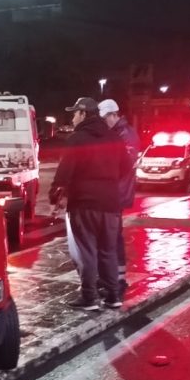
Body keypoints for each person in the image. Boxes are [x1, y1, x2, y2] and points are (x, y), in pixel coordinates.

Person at [49, 97, 127, 311]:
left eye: (74, 113)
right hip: (110, 205)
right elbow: (126, 169)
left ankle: (89, 297)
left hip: (84, 204)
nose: (72, 118)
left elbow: (64, 173)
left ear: (83, 114)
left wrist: (54, 198)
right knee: (108, 250)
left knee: (87, 251)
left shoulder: (78, 139)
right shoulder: (115, 138)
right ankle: (113, 296)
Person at [98, 99, 141, 298]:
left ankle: (120, 280)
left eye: (105, 118)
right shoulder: (115, 133)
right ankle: (109, 277)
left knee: (114, 237)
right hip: (109, 192)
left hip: (117, 193)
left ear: (114, 115)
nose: (104, 122)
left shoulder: (126, 135)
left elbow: (123, 165)